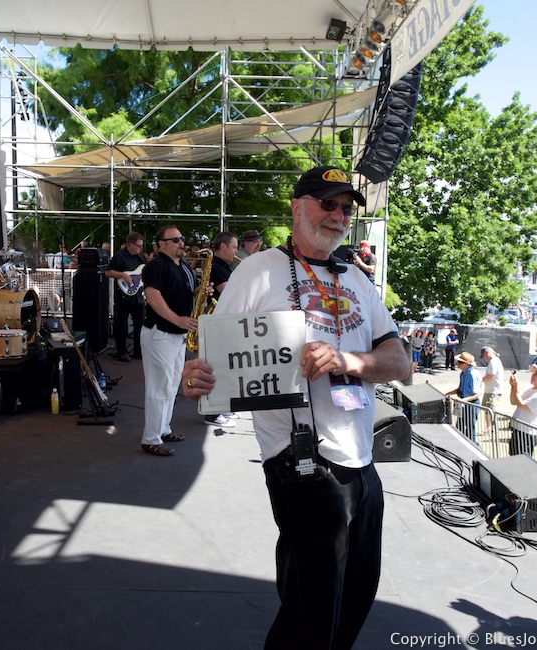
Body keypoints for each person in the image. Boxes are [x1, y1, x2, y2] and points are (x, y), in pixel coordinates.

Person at [180, 165, 409, 648]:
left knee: (354, 598)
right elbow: (213, 357)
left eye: (346, 208)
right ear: (297, 207)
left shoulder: (360, 282)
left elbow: (398, 362)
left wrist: (348, 359)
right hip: (300, 459)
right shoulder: (257, 269)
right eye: (328, 203)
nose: (338, 215)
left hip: (362, 463)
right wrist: (196, 378)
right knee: (311, 606)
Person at [139, 226, 199, 457]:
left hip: (176, 335)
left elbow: (181, 293)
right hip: (160, 333)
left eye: (182, 238)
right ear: (161, 244)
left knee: (172, 385)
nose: (181, 242)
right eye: (175, 239)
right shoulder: (156, 265)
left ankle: (163, 429)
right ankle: (151, 438)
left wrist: (199, 293)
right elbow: (153, 298)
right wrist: (178, 320)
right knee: (159, 386)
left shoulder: (182, 266)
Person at [203, 231, 240, 429]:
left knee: (225, 368)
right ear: (223, 246)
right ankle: (212, 412)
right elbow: (228, 292)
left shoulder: (225, 265)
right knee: (216, 368)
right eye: (234, 247)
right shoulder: (216, 266)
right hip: (216, 321)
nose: (236, 251)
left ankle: (222, 405)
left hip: (224, 322)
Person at [105, 232, 148, 363]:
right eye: (138, 246)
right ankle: (121, 352)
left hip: (138, 296)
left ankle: (138, 351)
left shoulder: (141, 258)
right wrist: (123, 275)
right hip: (123, 295)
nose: (140, 248)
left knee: (140, 324)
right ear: (130, 244)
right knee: (121, 324)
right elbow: (108, 272)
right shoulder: (119, 256)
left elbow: (144, 273)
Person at [508, 366, 537, 457]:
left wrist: (515, 387)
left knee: (522, 462)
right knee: (513, 458)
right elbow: (514, 401)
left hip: (527, 433)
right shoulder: (530, 388)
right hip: (518, 429)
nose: (533, 375)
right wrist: (513, 387)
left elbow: (521, 404)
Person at [446, 351, 483, 442]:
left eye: (460, 362)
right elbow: (460, 389)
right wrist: (448, 393)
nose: (457, 363)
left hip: (471, 404)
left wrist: (462, 400)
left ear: (466, 364)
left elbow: (476, 394)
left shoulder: (472, 375)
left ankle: (474, 449)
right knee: (460, 428)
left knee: (470, 430)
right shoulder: (463, 374)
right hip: (464, 402)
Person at [480, 347, 504, 435]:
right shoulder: (494, 361)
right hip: (490, 390)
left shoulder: (493, 361)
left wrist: (479, 380)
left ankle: (491, 427)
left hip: (493, 390)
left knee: (490, 409)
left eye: (484, 356)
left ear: (487, 354)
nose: (484, 358)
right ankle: (489, 427)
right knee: (487, 409)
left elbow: (490, 376)